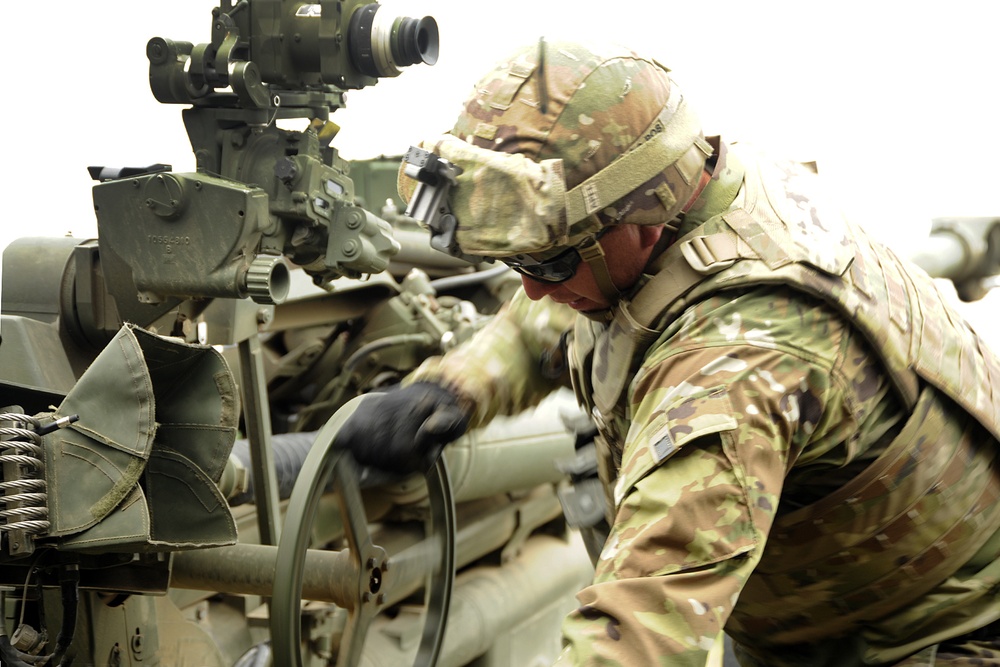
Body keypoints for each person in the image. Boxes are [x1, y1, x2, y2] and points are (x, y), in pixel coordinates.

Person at [334, 39, 1000, 666]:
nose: (534, 287)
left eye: (555, 260)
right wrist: (453, 390)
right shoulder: (693, 187)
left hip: (939, 634)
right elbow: (554, 308)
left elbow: (643, 625)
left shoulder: (735, 361)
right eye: (518, 261)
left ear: (644, 214)